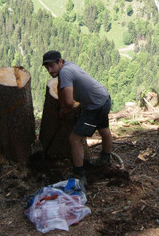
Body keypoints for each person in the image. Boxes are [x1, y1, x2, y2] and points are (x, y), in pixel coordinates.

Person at [42, 50, 113, 184]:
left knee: (74, 139)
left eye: (52, 66)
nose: (50, 70)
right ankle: (105, 159)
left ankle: (79, 174)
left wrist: (64, 110)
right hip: (104, 98)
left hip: (95, 106)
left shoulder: (65, 72)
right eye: (47, 67)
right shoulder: (68, 66)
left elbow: (69, 102)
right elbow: (60, 86)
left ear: (60, 61)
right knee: (104, 130)